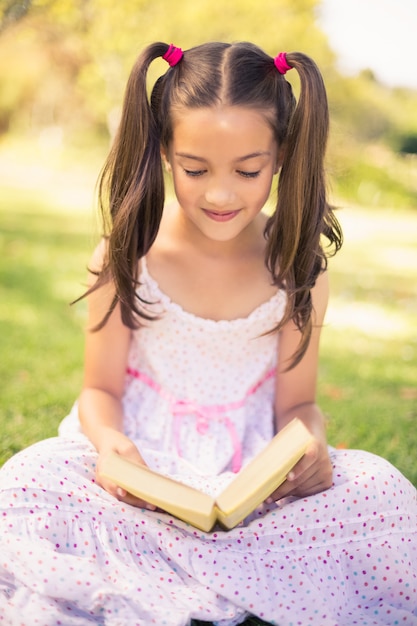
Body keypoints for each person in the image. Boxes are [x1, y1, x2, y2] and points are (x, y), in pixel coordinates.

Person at [0, 41, 416, 626]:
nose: (221, 194)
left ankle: (196, 565)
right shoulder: (127, 255)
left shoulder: (299, 267)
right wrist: (114, 448)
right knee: (24, 482)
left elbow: (298, 405)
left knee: (385, 491)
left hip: (250, 483)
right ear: (165, 152)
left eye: (248, 170)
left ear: (281, 157)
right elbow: (99, 392)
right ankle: (229, 571)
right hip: (142, 469)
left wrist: (312, 445)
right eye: (196, 170)